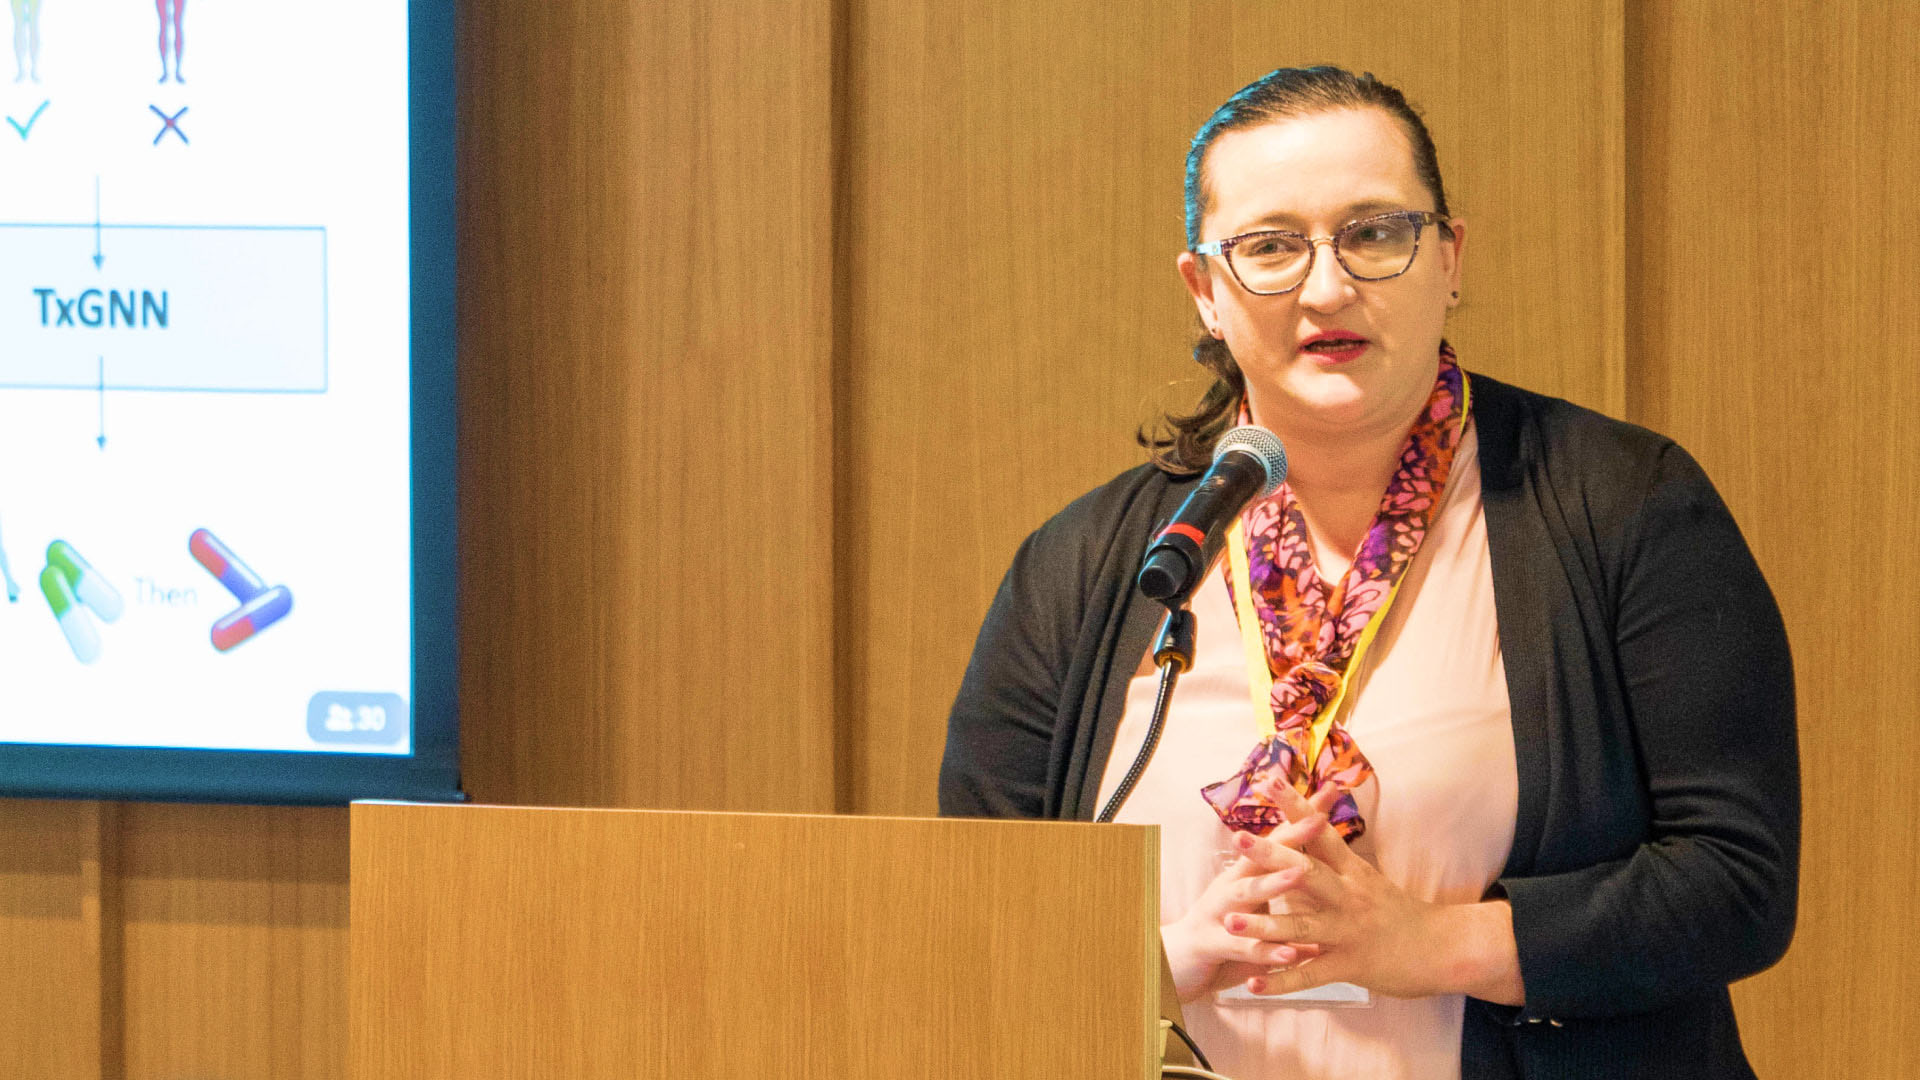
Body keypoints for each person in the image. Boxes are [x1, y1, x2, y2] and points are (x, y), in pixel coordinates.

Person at [940, 66, 1797, 1080]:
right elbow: (984, 927)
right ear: (1205, 291)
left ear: (1449, 257)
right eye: (1269, 247)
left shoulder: (1624, 505)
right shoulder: (1093, 568)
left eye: (1373, 233)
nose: (1326, 286)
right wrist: (1168, 961)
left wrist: (1432, 944)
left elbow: (1736, 882)